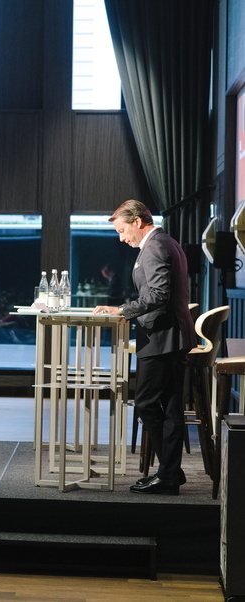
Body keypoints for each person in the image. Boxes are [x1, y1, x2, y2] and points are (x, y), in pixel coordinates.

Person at [93, 200, 197, 495]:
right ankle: (170, 475)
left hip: (163, 337)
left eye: (122, 230)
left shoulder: (154, 247)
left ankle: (169, 474)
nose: (121, 238)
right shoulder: (166, 242)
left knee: (147, 404)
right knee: (171, 407)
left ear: (137, 221)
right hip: (172, 335)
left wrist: (122, 310)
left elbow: (159, 294)